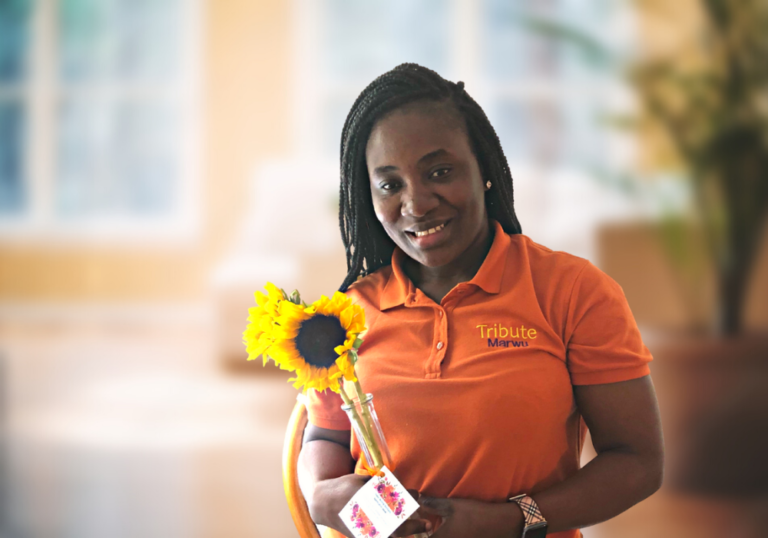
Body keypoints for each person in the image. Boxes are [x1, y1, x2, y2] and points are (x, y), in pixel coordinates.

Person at [297, 63, 664, 538]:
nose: (416, 203)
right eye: (390, 184)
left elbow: (636, 460)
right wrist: (323, 495)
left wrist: (512, 521)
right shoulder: (345, 315)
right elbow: (325, 433)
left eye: (440, 171)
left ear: (484, 171)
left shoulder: (572, 291)